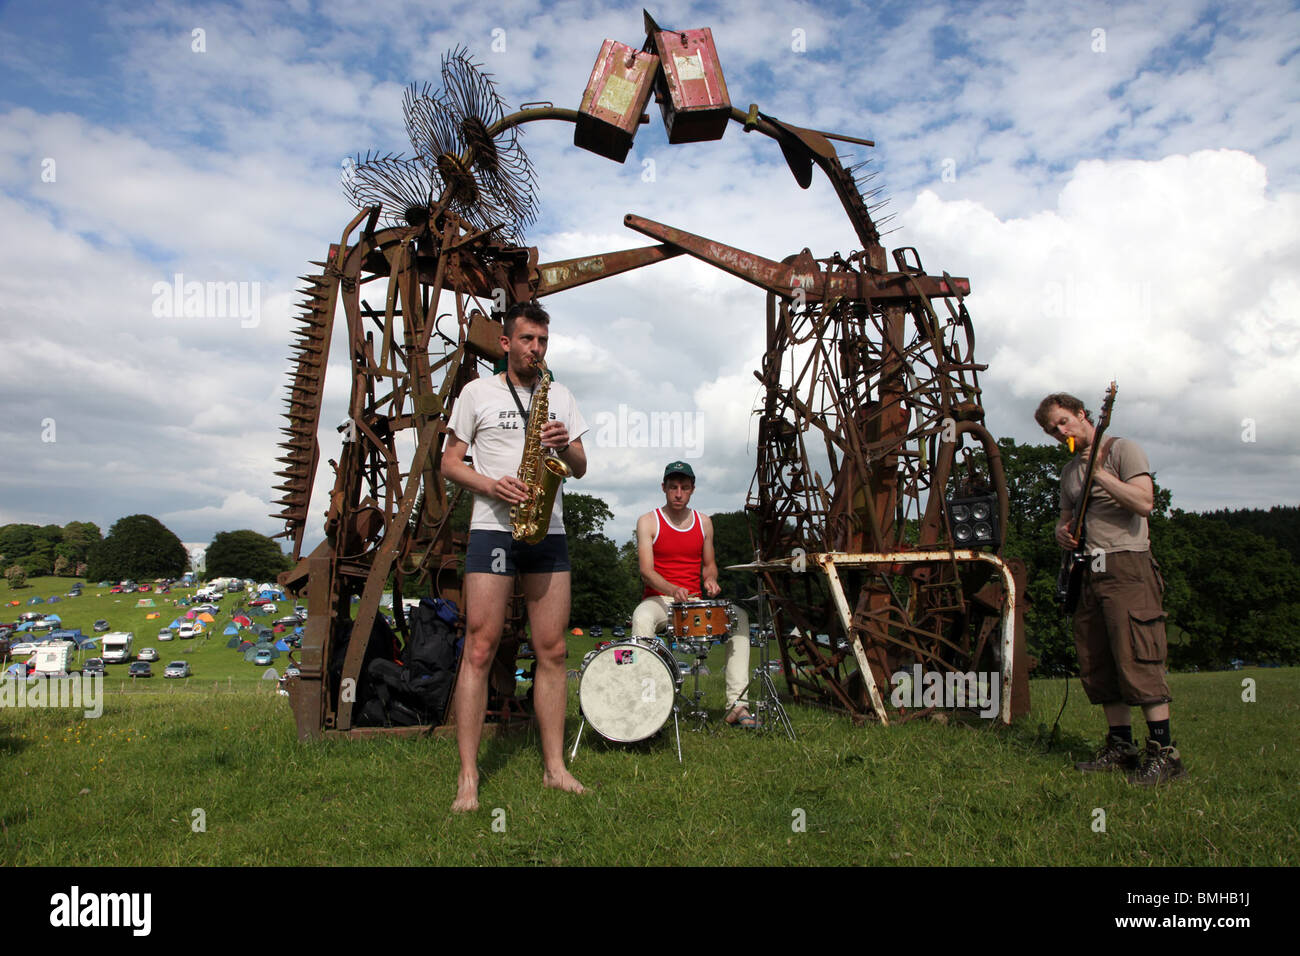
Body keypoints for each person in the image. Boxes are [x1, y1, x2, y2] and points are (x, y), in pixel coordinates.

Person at [441, 301, 588, 811]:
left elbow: (581, 467)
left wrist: (565, 445)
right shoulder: (476, 392)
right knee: (479, 649)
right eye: (527, 339)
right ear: (505, 343)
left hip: (548, 531)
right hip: (493, 530)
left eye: (543, 341)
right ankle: (467, 778)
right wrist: (490, 484)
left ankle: (554, 769)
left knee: (552, 651)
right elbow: (448, 463)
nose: (536, 349)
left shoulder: (560, 395)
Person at [1035, 393, 1186, 785]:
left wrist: (1100, 475)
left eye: (1064, 422)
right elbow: (1066, 519)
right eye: (1053, 430)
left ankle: (1165, 753)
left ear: (1084, 415)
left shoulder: (1123, 450)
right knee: (1098, 658)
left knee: (1137, 653)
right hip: (1087, 570)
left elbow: (1144, 502)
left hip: (1126, 564)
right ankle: (1121, 747)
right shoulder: (1069, 471)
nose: (1060, 432)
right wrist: (1061, 534)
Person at [631, 461, 755, 727]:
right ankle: (646, 706)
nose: (678, 493)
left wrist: (711, 580)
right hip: (660, 600)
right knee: (641, 618)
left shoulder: (704, 523)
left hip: (694, 601)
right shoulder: (648, 521)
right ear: (663, 488)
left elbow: (709, 566)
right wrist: (672, 589)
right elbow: (646, 572)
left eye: (684, 488)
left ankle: (737, 705)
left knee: (740, 618)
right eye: (673, 487)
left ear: (692, 490)